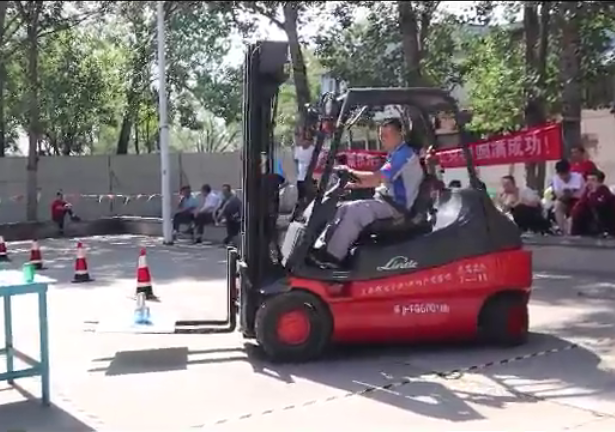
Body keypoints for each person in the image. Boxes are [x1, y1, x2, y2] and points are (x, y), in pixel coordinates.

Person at [313, 118, 424, 268]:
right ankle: (322, 248)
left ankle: (332, 259)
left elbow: (378, 178)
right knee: (342, 208)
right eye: (381, 135)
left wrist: (349, 171)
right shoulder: (394, 154)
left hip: (396, 207)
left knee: (356, 211)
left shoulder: (404, 155)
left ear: (399, 134)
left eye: (386, 135)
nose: (382, 139)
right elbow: (376, 182)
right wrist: (348, 184)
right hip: (385, 202)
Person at [571, 170, 615, 236]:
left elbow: (598, 204)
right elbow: (580, 206)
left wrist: (592, 195)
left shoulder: (604, 192)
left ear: (600, 182)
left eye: (593, 180)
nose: (589, 183)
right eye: (588, 180)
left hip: (606, 224)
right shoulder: (587, 192)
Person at [552, 159, 585, 235]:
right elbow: (558, 194)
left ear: (569, 171)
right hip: (565, 201)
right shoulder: (556, 179)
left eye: (565, 174)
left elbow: (570, 194)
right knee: (557, 205)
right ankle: (562, 229)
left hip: (578, 200)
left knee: (573, 213)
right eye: (561, 175)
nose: (564, 177)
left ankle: (570, 231)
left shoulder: (577, 177)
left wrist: (564, 194)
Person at [294, 129, 315, 200]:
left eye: (308, 139)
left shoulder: (313, 149)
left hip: (310, 175)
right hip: (301, 175)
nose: (305, 142)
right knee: (301, 192)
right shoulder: (298, 149)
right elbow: (296, 161)